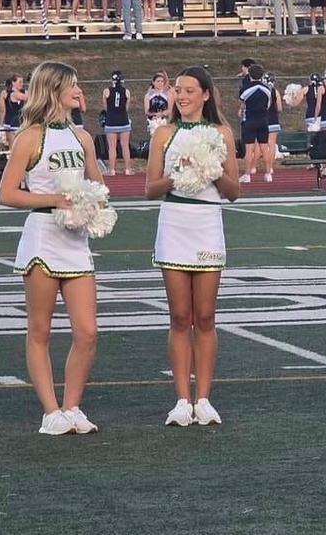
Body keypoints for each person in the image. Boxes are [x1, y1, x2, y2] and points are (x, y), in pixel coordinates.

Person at [0, 61, 104, 435]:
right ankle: (50, 411)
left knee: (87, 331)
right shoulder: (30, 137)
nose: (79, 91)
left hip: (76, 241)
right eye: (73, 85)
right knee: (40, 328)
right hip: (43, 235)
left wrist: (93, 204)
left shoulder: (83, 137)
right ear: (54, 90)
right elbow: (6, 193)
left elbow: (97, 186)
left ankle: (73, 407)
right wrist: (55, 199)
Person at [146, 66, 240, 425]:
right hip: (174, 224)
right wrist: (178, 172)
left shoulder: (222, 133)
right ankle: (182, 401)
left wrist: (211, 169)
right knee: (179, 317)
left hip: (207, 224)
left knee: (205, 316)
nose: (181, 96)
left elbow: (233, 193)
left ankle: (203, 398)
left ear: (205, 95)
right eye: (177, 90)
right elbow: (150, 189)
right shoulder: (163, 134)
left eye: (189, 90)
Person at [238, 63, 271, 183]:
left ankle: (247, 174)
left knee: (249, 149)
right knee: (264, 148)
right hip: (263, 120)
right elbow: (267, 105)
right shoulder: (267, 89)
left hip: (250, 120)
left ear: (250, 75)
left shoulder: (245, 88)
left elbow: (241, 105)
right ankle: (268, 173)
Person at [102, 70, 133, 175]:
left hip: (111, 121)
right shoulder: (127, 91)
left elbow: (105, 107)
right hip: (123, 120)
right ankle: (127, 169)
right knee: (125, 145)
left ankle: (112, 170)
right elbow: (126, 107)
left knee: (112, 147)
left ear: (112, 80)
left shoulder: (106, 91)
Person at [0, 74, 27, 146]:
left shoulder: (4, 93)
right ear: (13, 82)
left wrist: (1, 124)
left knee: (12, 146)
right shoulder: (17, 94)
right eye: (20, 82)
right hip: (15, 123)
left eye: (22, 82)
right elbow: (2, 110)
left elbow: (2, 110)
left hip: (9, 122)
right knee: (16, 146)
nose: (22, 84)